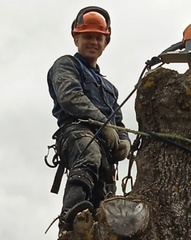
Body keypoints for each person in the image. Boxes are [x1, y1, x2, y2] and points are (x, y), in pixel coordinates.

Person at [47, 6, 131, 239]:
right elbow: (70, 97)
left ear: (106, 41)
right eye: (87, 37)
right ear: (76, 38)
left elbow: (120, 122)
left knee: (106, 197)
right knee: (89, 155)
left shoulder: (109, 88)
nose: (93, 41)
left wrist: (124, 142)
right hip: (76, 133)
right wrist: (103, 124)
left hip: (106, 151)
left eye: (98, 37)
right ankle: (70, 220)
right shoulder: (66, 65)